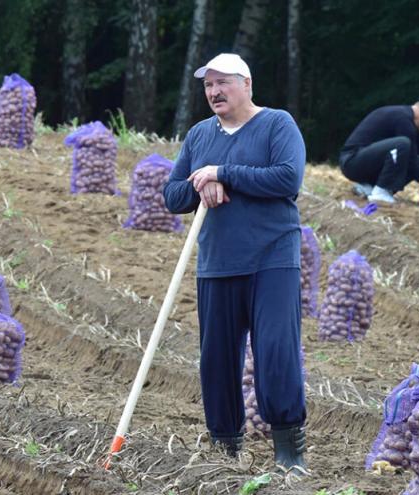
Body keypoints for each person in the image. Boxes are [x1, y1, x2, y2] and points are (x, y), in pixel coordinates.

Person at [163, 53, 307, 473]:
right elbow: (173, 196)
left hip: (272, 258)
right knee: (216, 359)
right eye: (208, 85)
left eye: (222, 82)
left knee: (275, 350)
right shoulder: (199, 135)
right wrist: (201, 182)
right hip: (217, 262)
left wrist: (224, 172)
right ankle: (225, 449)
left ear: (246, 83)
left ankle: (290, 451)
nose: (214, 92)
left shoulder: (277, 124)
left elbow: (287, 178)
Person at [339, 95, 419, 204]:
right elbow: (411, 162)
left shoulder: (411, 124)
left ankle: (369, 188)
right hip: (351, 162)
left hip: (366, 163)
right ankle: (381, 193)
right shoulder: (402, 119)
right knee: (402, 144)